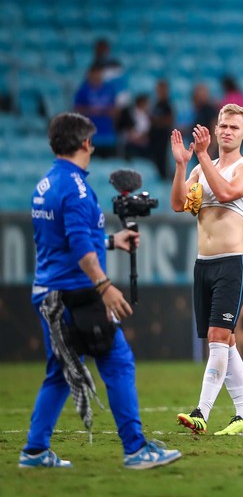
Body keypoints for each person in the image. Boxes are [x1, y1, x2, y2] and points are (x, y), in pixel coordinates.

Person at [20, 112, 181, 469]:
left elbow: (63, 242)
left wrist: (111, 241)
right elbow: (79, 247)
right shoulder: (76, 189)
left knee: (61, 371)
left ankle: (34, 450)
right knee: (118, 361)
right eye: (91, 141)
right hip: (77, 295)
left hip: (50, 292)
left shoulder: (47, 184)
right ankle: (136, 449)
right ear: (85, 143)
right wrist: (104, 286)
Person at [170, 104, 243, 437]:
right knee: (226, 340)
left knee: (217, 337)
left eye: (234, 127)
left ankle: (201, 412)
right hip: (203, 264)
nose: (227, 131)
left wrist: (202, 157)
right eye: (223, 125)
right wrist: (182, 165)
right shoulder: (199, 168)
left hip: (232, 263)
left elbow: (224, 193)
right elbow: (178, 204)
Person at [73, 65, 119, 158]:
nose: (97, 76)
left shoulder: (109, 89)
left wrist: (103, 111)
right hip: (89, 136)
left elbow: (115, 110)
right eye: (95, 73)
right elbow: (77, 110)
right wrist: (91, 110)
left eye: (99, 73)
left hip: (107, 135)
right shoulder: (83, 90)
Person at [149, 78, 175, 180]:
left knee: (164, 160)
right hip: (154, 138)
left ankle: (166, 179)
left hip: (163, 137)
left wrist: (157, 121)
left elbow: (169, 120)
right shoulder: (156, 104)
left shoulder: (167, 105)